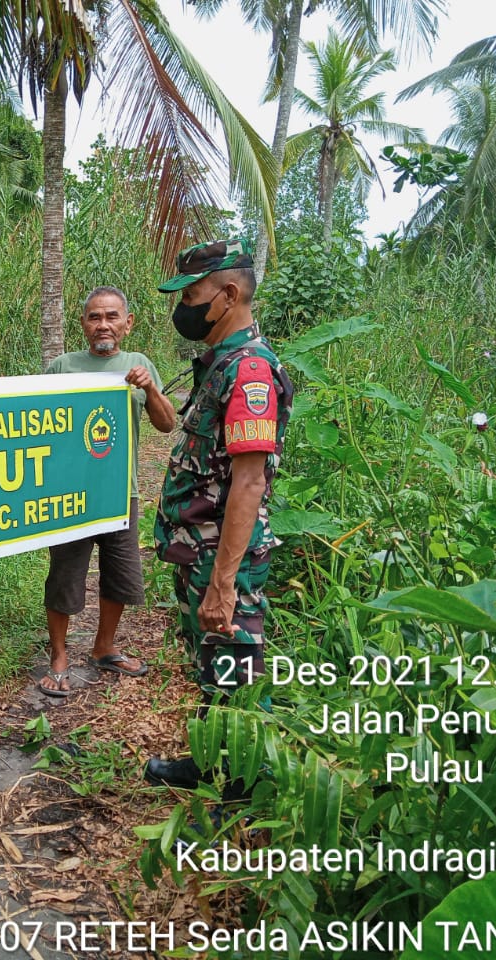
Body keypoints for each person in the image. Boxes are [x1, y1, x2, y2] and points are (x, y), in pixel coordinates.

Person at [144, 239, 293, 789]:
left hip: (224, 556)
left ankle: (247, 790)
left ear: (228, 295)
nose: (183, 306)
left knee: (237, 674)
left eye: (191, 295)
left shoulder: (249, 372)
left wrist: (224, 583)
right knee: (213, 668)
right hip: (201, 551)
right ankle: (213, 761)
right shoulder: (220, 364)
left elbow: (250, 482)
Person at [38, 286, 176, 697]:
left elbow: (167, 424)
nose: (103, 324)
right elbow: (30, 416)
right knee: (65, 576)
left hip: (119, 491)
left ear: (127, 323)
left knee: (119, 574)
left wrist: (151, 389)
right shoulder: (63, 367)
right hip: (71, 494)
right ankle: (59, 657)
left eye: (112, 316)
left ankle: (104, 648)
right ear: (82, 323)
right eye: (95, 316)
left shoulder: (138, 365)